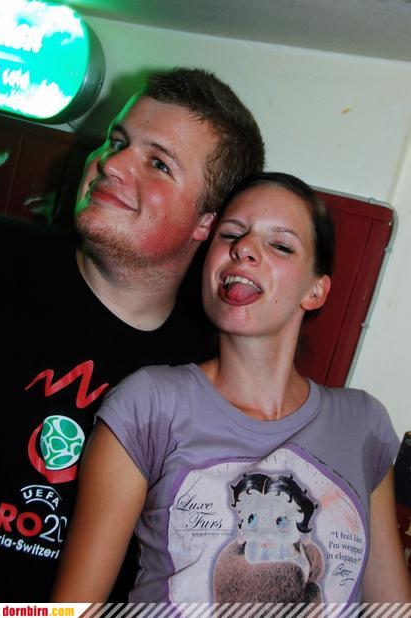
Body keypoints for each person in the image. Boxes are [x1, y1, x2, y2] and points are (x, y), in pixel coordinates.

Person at [52, 172, 411, 603]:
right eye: (230, 234)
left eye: (280, 245)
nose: (244, 248)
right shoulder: (147, 404)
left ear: (316, 291)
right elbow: (70, 610)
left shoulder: (362, 424)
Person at [0, 67, 265, 601]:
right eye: (117, 141)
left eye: (158, 163)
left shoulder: (212, 374)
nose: (110, 163)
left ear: (207, 223)